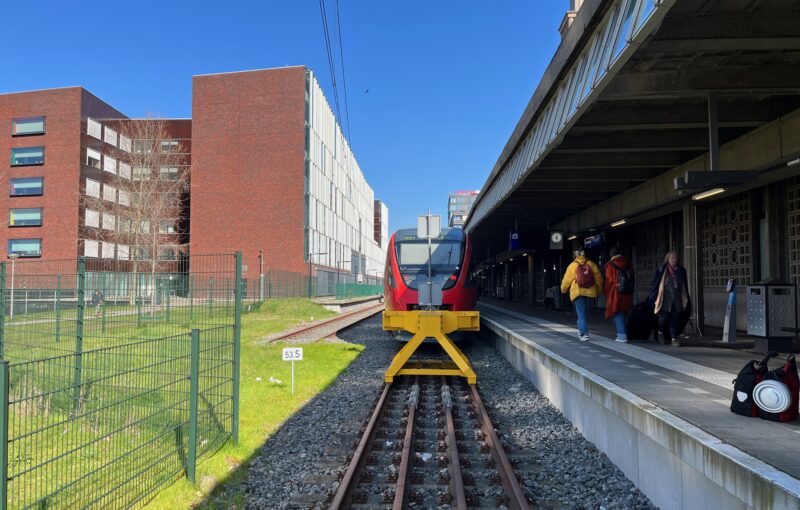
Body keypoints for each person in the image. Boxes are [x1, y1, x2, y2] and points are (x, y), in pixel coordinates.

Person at [649, 251, 690, 347]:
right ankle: (660, 332)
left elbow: (685, 285)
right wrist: (653, 297)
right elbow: (655, 283)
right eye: (672, 258)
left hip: (677, 298)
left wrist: (686, 298)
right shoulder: (661, 269)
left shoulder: (681, 270)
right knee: (663, 318)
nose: (674, 260)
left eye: (676, 258)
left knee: (675, 319)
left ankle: (674, 339)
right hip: (665, 299)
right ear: (667, 259)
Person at [561, 249, 603, 341]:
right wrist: (599, 291)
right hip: (590, 292)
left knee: (581, 314)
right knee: (584, 313)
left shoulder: (572, 265)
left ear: (575, 256)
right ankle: (581, 330)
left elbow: (566, 280)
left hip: (578, 292)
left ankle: (584, 334)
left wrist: (563, 290)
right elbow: (599, 279)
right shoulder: (591, 264)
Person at [604, 246, 634, 343]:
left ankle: (622, 335)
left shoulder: (610, 265)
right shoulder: (628, 263)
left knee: (617, 312)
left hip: (616, 293)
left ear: (611, 254)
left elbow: (609, 281)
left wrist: (607, 294)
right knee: (625, 312)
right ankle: (626, 333)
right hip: (628, 292)